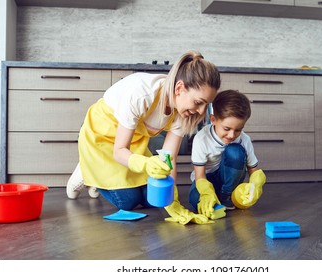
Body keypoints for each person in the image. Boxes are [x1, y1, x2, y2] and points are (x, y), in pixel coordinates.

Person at [66, 50, 221, 225]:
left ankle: (100, 177)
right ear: (179, 88)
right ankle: (86, 170)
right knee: (127, 201)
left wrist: (172, 202)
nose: (201, 111)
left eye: (206, 105)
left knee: (155, 199)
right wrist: (147, 164)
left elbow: (169, 159)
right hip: (102, 137)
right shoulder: (142, 94)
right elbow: (118, 151)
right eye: (198, 102)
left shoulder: (184, 112)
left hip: (133, 141)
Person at [189, 89, 266, 219]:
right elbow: (200, 175)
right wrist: (206, 193)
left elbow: (254, 170)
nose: (232, 135)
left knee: (235, 151)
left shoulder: (244, 140)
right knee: (195, 200)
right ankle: (215, 195)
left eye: (238, 130)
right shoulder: (201, 139)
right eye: (226, 129)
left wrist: (256, 186)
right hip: (206, 179)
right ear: (213, 119)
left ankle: (226, 195)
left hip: (230, 179)